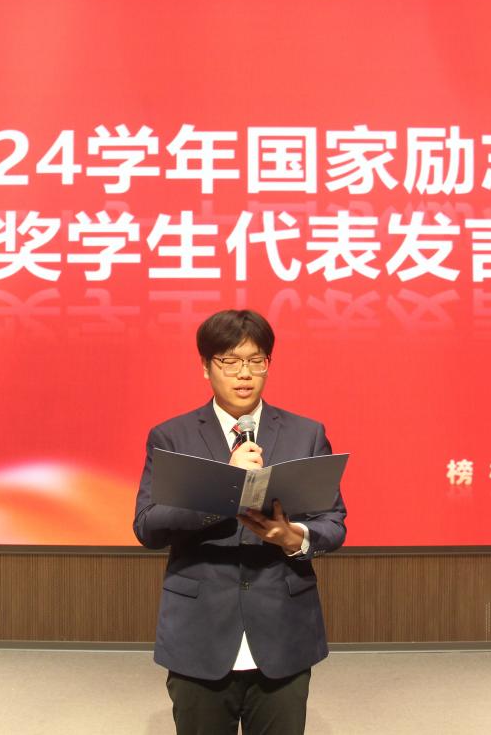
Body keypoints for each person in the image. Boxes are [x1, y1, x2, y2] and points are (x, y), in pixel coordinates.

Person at [134, 309, 348, 735]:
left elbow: (334, 522)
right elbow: (148, 526)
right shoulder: (172, 437)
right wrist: (224, 489)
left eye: (256, 361)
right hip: (199, 634)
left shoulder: (306, 433)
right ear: (206, 366)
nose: (244, 373)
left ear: (269, 364)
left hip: (283, 631)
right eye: (230, 361)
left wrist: (294, 537)